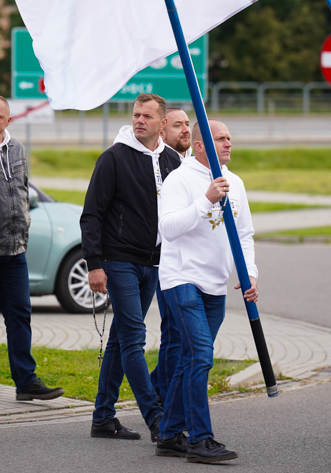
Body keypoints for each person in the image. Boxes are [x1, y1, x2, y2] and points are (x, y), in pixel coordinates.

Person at [155, 120, 258, 463]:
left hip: (215, 283)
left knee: (190, 359)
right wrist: (206, 200)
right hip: (181, 278)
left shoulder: (237, 183)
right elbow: (168, 229)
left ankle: (169, 434)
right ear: (200, 146)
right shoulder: (179, 179)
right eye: (220, 139)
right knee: (200, 355)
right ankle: (200, 439)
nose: (228, 143)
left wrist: (249, 273)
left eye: (230, 137)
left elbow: (243, 234)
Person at [81, 93, 181, 441]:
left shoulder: (172, 160)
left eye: (148, 116)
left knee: (119, 340)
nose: (140, 120)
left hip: (153, 264)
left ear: (162, 123)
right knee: (134, 338)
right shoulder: (114, 158)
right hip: (119, 260)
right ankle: (156, 419)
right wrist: (94, 264)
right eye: (136, 115)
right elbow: (91, 213)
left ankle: (102, 418)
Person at [0, 95, 63, 402]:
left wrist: (24, 228)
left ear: (7, 120)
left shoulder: (17, 148)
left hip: (16, 250)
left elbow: (22, 189)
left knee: (20, 316)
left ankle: (26, 381)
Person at [149, 106, 192, 406]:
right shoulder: (163, 165)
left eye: (188, 124)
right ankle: (164, 397)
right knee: (174, 333)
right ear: (162, 130)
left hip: (196, 264)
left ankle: (159, 388)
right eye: (178, 125)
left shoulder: (196, 163)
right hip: (166, 262)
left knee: (185, 337)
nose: (186, 130)